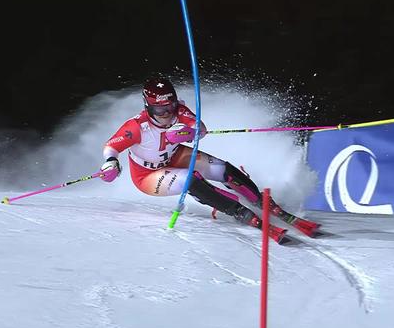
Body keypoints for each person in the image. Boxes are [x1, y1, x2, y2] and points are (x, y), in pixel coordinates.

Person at [98, 77, 296, 242]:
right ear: (148, 107)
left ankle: (259, 200)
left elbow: (201, 128)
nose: (167, 113)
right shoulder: (136, 127)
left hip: (174, 156)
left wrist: (188, 133)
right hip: (147, 174)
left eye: (170, 106)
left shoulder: (179, 112)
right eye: (160, 110)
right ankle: (238, 211)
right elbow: (111, 146)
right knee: (190, 180)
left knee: (221, 168)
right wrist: (111, 163)